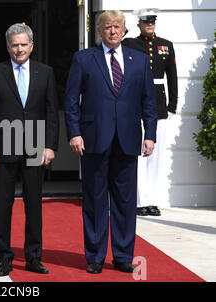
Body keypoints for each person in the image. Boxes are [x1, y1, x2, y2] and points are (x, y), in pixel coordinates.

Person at [64, 10, 157, 274]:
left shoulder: (139, 60)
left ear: (125, 30)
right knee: (94, 199)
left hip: (128, 139)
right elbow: (71, 101)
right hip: (93, 139)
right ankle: (94, 256)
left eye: (117, 27)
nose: (113, 31)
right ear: (99, 30)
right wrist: (74, 132)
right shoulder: (83, 59)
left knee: (125, 201)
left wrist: (150, 135)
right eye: (107, 27)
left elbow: (149, 101)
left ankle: (123, 255)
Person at [0, 23, 59, 276]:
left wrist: (50, 145)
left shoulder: (45, 72)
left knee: (33, 204)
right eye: (15, 44)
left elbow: (51, 111)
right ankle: (4, 258)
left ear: (32, 46)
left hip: (36, 147)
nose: (19, 49)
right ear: (8, 46)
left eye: (24, 44)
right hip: (3, 147)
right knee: (3, 205)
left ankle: (34, 257)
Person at [122, 8, 178, 217]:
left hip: (158, 105)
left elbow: (172, 77)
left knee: (156, 156)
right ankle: (139, 200)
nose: (149, 25)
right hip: (136, 104)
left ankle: (152, 200)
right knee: (138, 154)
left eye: (152, 22)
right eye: (146, 22)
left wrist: (172, 105)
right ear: (139, 24)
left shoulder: (166, 45)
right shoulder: (129, 44)